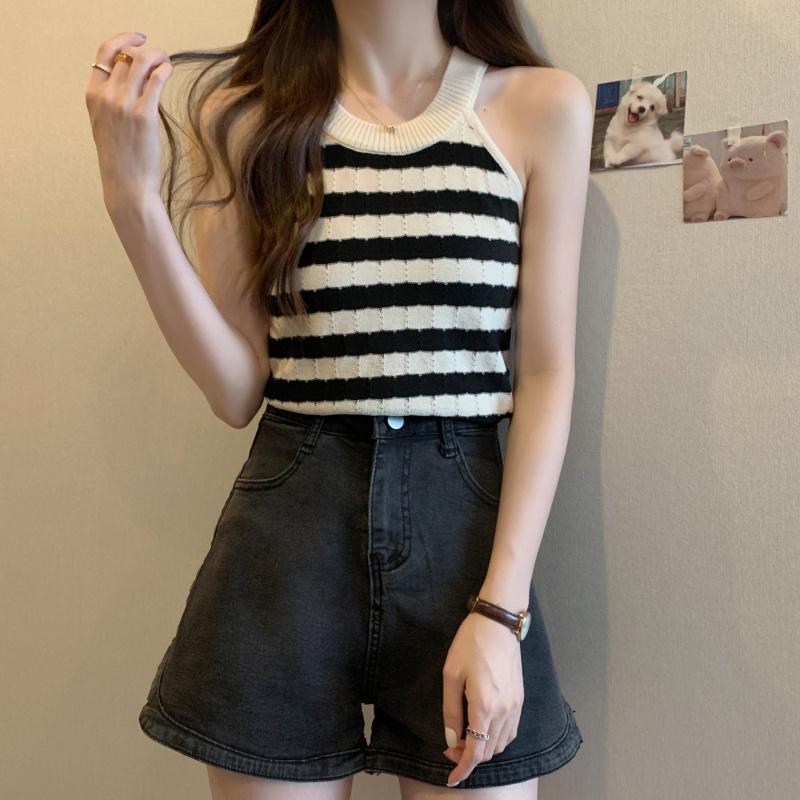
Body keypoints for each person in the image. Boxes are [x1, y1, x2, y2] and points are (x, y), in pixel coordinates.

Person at [85, 1, 592, 797]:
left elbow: (546, 373)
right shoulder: (243, 118)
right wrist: (134, 203)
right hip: (289, 535)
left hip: (467, 541)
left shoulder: (540, 105)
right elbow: (237, 390)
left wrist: (501, 610)